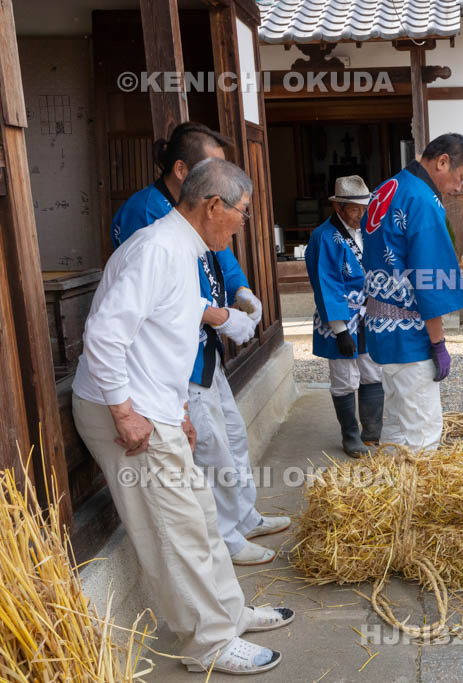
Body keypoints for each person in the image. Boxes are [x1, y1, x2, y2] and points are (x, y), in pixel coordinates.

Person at [73, 159, 295, 675]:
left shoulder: (179, 248)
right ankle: (208, 643)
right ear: (212, 205)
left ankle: (229, 614)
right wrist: (125, 413)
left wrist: (178, 412)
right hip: (129, 412)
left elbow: (162, 341)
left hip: (157, 407)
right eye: (241, 212)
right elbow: (104, 336)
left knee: (199, 519)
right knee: (174, 531)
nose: (243, 223)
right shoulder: (157, 248)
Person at [110, 121, 288, 566]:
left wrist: (242, 293)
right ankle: (226, 536)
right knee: (209, 449)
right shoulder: (148, 214)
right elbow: (159, 298)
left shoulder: (199, 213)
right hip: (174, 360)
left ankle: (243, 516)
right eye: (213, 167)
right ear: (182, 170)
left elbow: (223, 259)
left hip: (204, 348)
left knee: (231, 435)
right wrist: (221, 316)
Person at [361, 134, 463, 451]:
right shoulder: (423, 200)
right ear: (442, 162)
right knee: (423, 433)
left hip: (381, 331)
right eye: (460, 177)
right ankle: (413, 498)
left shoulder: (385, 189)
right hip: (411, 335)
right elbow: (431, 280)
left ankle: (392, 495)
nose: (458, 188)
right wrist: (438, 342)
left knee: (397, 425)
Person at [306, 175, 384, 457]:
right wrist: (340, 331)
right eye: (354, 209)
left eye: (364, 208)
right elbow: (327, 284)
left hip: (369, 313)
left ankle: (372, 433)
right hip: (340, 316)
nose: (361, 214)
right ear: (338, 208)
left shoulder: (367, 231)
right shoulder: (324, 237)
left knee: (373, 370)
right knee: (345, 376)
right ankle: (350, 436)